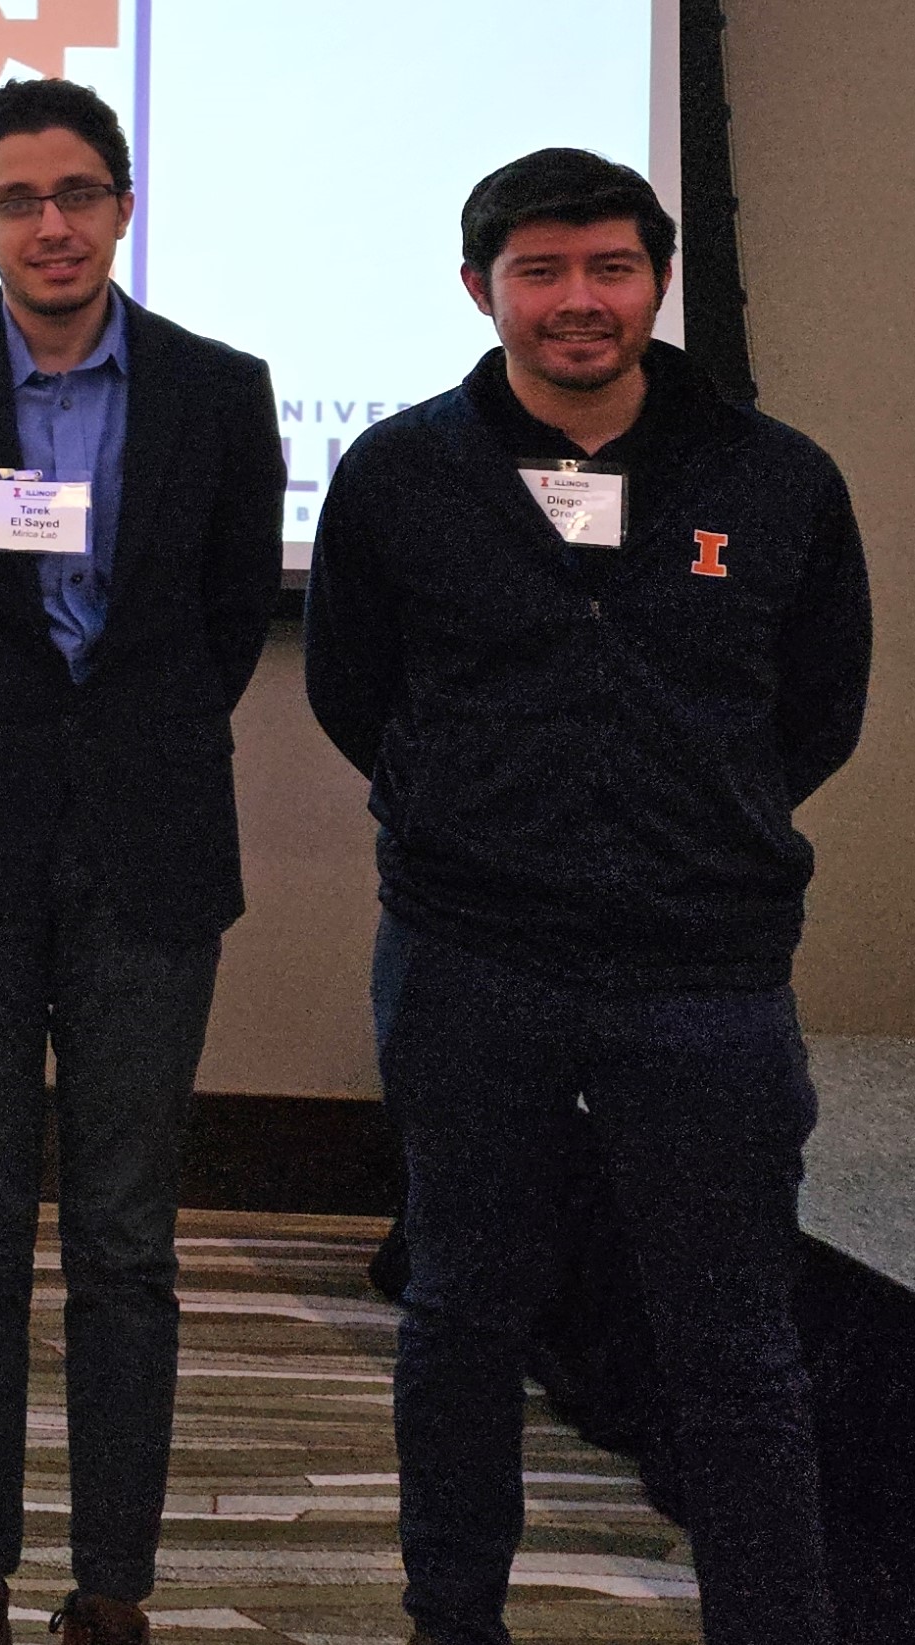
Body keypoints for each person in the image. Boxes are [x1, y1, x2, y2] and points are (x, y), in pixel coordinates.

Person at [305, 149, 868, 1645]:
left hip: (707, 979)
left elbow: (816, 713)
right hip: (470, 960)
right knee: (460, 1319)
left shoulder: (776, 477)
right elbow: (356, 693)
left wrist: (687, 833)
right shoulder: (398, 475)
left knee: (736, 1346)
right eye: (538, 270)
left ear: (656, 279)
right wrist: (482, 819)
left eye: (608, 267)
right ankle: (453, 1621)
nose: (575, 301)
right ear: (478, 285)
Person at [0, 78, 283, 1645]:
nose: (51, 223)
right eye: (16, 198)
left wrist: (105, 749)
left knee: (125, 1236)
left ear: (123, 204)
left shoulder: (220, 390)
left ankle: (110, 1582)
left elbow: (226, 623)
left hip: (151, 848)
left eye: (78, 190)